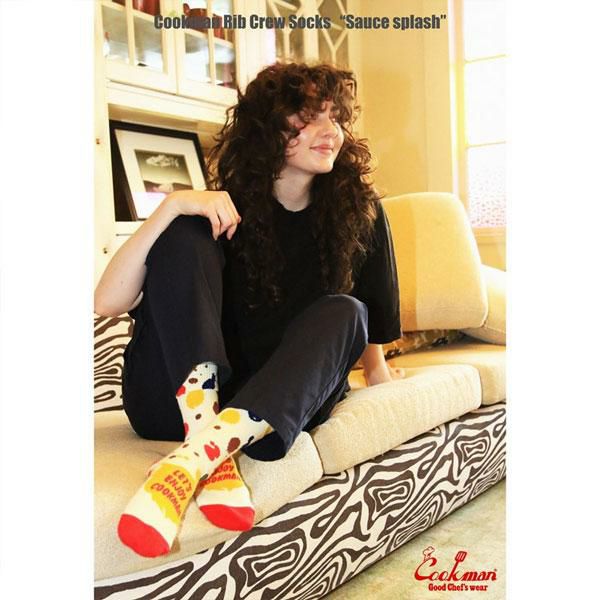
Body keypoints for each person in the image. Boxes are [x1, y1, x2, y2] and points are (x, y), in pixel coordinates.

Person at [94, 61, 403, 558]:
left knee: (348, 310)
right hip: (171, 405)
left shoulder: (360, 211)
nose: (330, 130)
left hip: (267, 410)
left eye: (335, 117)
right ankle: (204, 432)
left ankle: (193, 460)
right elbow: (107, 302)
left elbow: (370, 321)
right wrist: (170, 207)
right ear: (267, 127)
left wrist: (380, 376)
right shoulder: (218, 207)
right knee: (186, 229)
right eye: (308, 117)